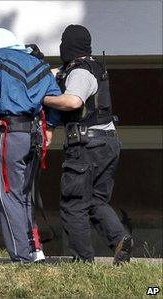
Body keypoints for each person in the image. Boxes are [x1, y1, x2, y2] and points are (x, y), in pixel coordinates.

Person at [43, 24, 133, 264]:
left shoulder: (80, 72)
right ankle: (120, 238)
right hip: (107, 144)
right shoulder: (93, 66)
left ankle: (83, 262)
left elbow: (73, 101)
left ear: (68, 45)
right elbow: (55, 73)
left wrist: (45, 98)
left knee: (74, 204)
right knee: (95, 201)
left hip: (86, 146)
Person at [0, 28, 61, 263]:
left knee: (8, 195)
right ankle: (35, 251)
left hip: (11, 134)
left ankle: (21, 257)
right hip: (36, 136)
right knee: (25, 195)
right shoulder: (39, 64)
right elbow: (54, 97)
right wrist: (50, 127)